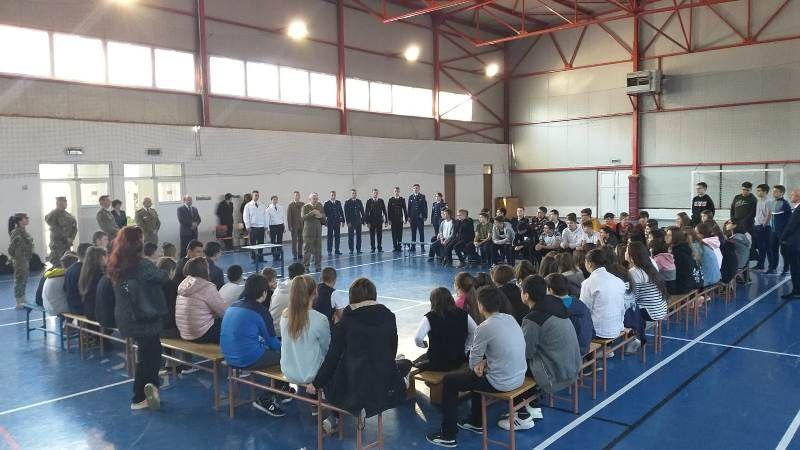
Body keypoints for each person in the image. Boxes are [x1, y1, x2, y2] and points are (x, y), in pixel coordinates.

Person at [426, 286, 527, 448]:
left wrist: (480, 364)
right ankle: (476, 421)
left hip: (501, 382)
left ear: (480, 305)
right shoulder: (510, 319)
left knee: (450, 381)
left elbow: (473, 363)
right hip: (519, 376)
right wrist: (485, 363)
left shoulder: (485, 327)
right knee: (475, 377)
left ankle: (448, 434)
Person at [312, 278, 412, 422]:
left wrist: (316, 383)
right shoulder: (389, 317)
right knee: (405, 363)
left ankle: (344, 412)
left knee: (335, 378)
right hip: (382, 380)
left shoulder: (345, 323)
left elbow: (332, 358)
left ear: (351, 297)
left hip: (354, 383)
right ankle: (397, 383)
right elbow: (392, 350)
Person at [498, 275, 582, 430]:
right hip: (572, 366)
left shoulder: (533, 319)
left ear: (526, 295)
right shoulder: (557, 306)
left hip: (554, 374)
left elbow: (525, 352)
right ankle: (532, 406)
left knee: (512, 368)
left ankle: (521, 416)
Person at [108, 226, 169, 410]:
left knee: (147, 353)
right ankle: (141, 395)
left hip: (126, 316)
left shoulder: (117, 263)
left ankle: (150, 388)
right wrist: (157, 262)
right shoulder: (143, 266)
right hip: (144, 317)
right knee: (151, 356)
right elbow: (163, 277)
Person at [220, 274, 286, 417]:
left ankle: (280, 390)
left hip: (228, 356)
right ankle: (267, 396)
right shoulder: (261, 311)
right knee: (285, 357)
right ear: (264, 292)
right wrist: (288, 349)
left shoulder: (234, 305)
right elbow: (273, 343)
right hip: (247, 358)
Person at [280, 275, 331, 391]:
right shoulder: (320, 319)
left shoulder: (284, 315)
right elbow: (327, 348)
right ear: (315, 293)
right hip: (310, 373)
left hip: (288, 371)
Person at [414, 287, 477, 371]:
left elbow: (418, 338)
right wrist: (466, 347)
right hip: (458, 359)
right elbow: (475, 331)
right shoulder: (463, 314)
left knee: (414, 364)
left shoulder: (430, 317)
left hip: (437, 362)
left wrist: (422, 345)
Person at [176, 256, 228, 343]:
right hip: (201, 334)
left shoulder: (183, 285)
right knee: (231, 324)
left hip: (185, 332)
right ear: (205, 270)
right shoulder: (206, 286)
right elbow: (223, 312)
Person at [626, 242, 668, 348]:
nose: (625, 253)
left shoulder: (634, 272)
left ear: (631, 256)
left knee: (624, 310)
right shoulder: (651, 264)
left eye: (626, 251)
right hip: (661, 308)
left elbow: (634, 297)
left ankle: (637, 336)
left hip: (650, 312)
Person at [581, 249, 626, 340]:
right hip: (617, 327)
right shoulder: (618, 280)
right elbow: (622, 307)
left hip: (598, 331)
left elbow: (584, 309)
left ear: (589, 263)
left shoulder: (588, 283)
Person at [546, 273, 593, 356]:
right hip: (586, 344)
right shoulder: (578, 302)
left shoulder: (557, 309)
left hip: (573, 350)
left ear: (551, 290)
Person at [270, 262, 307, 336]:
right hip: (281, 330)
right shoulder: (296, 291)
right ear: (302, 276)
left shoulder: (279, 286)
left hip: (271, 326)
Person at [8, 213, 34, 309]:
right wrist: (17, 258)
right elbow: (11, 249)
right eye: (25, 218)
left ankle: (23, 299)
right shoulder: (16, 232)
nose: (27, 219)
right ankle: (19, 302)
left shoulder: (23, 231)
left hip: (25, 259)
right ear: (20, 221)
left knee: (24, 280)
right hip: (20, 261)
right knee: (19, 280)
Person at [667, 226, 701, 294]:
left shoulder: (677, 252)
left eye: (669, 235)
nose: (666, 237)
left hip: (682, 286)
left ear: (676, 237)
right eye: (667, 235)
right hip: (689, 284)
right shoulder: (684, 248)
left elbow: (676, 273)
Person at [780, 188, 800, 298]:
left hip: (795, 244)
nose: (791, 196)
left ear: (798, 197)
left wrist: (782, 238)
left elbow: (791, 227)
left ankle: (797, 291)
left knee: (795, 268)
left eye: (792, 195)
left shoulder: (798, 209)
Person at [45, 196, 77, 264]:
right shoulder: (53, 214)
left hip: (67, 244)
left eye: (65, 202)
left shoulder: (68, 215)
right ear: (58, 203)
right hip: (57, 244)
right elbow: (53, 226)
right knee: (58, 263)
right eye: (62, 202)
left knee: (67, 262)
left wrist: (71, 238)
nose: (65, 204)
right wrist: (65, 238)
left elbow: (74, 228)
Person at [768, 185, 793, 275]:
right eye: (773, 191)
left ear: (782, 193)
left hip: (782, 232)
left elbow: (790, 220)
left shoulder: (785, 204)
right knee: (773, 250)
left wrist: (787, 233)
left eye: (776, 191)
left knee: (784, 251)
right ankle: (773, 268)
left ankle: (786, 269)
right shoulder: (772, 202)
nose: (774, 193)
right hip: (773, 232)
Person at [78, 246, 107, 321]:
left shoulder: (85, 272)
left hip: (88, 310)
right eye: (105, 256)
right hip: (96, 312)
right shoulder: (99, 274)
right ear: (99, 258)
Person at [302, 193, 326, 272]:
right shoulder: (305, 207)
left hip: (318, 231)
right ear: (310, 199)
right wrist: (312, 213)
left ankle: (318, 266)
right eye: (314, 198)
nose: (315, 200)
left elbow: (323, 217)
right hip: (308, 232)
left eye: (316, 198)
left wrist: (321, 216)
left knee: (318, 250)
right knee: (307, 250)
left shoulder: (320, 206)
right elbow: (303, 217)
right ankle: (306, 267)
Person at [65, 243, 92, 314]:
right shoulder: (84, 270)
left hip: (72, 306)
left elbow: (64, 288)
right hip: (81, 308)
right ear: (89, 255)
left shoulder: (70, 269)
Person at [696, 221, 722, 287]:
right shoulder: (714, 241)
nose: (694, 235)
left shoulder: (703, 244)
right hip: (717, 274)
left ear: (702, 234)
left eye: (696, 233)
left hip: (709, 279)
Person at [243, 190, 267, 261]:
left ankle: (260, 257)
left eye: (258, 195)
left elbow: (265, 216)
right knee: (253, 244)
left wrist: (265, 225)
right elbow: (245, 216)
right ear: (252, 196)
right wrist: (247, 226)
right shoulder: (248, 205)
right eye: (255, 195)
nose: (257, 197)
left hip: (261, 227)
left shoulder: (262, 205)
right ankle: (254, 258)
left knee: (261, 243)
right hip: (253, 227)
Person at [752, 184, 772, 270]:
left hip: (764, 227)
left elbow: (769, 214)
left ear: (765, 192)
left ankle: (772, 266)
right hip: (757, 226)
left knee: (767, 247)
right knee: (760, 247)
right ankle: (761, 264)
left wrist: (764, 225)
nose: (757, 192)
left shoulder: (768, 201)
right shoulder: (759, 201)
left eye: (759, 191)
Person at [365, 188, 388, 253]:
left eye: (376, 193)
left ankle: (379, 248)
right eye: (374, 193)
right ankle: (373, 248)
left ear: (378, 193)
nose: (375, 194)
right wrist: (367, 222)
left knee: (379, 235)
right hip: (371, 221)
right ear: (372, 194)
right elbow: (366, 212)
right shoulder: (369, 201)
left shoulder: (381, 201)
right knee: (372, 236)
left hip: (379, 221)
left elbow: (384, 211)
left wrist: (386, 220)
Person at [324, 191, 345, 255]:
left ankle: (337, 250)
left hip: (337, 222)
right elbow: (324, 213)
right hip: (330, 222)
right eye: (332, 195)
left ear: (335, 195)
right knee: (330, 237)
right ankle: (329, 250)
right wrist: (325, 222)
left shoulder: (338, 202)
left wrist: (343, 220)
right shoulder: (327, 203)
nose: (333, 196)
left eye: (334, 195)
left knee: (337, 236)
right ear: (330, 196)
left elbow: (341, 211)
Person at [387, 186, 408, 252]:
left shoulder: (402, 199)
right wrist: (389, 219)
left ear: (399, 192)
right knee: (394, 234)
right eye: (395, 191)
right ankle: (394, 247)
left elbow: (405, 209)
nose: (396, 192)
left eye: (398, 191)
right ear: (394, 192)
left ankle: (399, 247)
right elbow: (389, 210)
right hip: (393, 220)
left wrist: (406, 219)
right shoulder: (391, 200)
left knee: (400, 234)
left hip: (400, 219)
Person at [408, 184, 428, 251]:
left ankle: (422, 247)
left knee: (421, 233)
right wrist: (408, 217)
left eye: (417, 188)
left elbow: (425, 207)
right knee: (413, 233)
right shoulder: (411, 197)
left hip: (420, 218)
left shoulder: (422, 196)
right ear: (412, 189)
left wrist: (425, 216)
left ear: (419, 189)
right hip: (413, 218)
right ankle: (413, 247)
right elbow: (409, 208)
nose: (415, 189)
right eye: (414, 188)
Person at [344, 189, 365, 254]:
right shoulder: (347, 202)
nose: (354, 194)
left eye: (355, 193)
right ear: (351, 194)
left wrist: (363, 220)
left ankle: (358, 249)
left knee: (359, 236)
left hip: (358, 221)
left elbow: (362, 211)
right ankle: (351, 250)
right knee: (351, 236)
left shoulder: (359, 201)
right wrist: (348, 222)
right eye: (353, 193)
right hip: (351, 222)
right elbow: (346, 213)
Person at [286, 191, 305, 260]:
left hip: (302, 225)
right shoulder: (290, 205)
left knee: (301, 240)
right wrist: (290, 226)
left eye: (298, 195)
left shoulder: (303, 204)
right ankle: (294, 254)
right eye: (296, 195)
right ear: (294, 196)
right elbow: (289, 217)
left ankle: (300, 253)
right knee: (294, 241)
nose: (297, 196)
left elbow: (305, 215)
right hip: (294, 226)